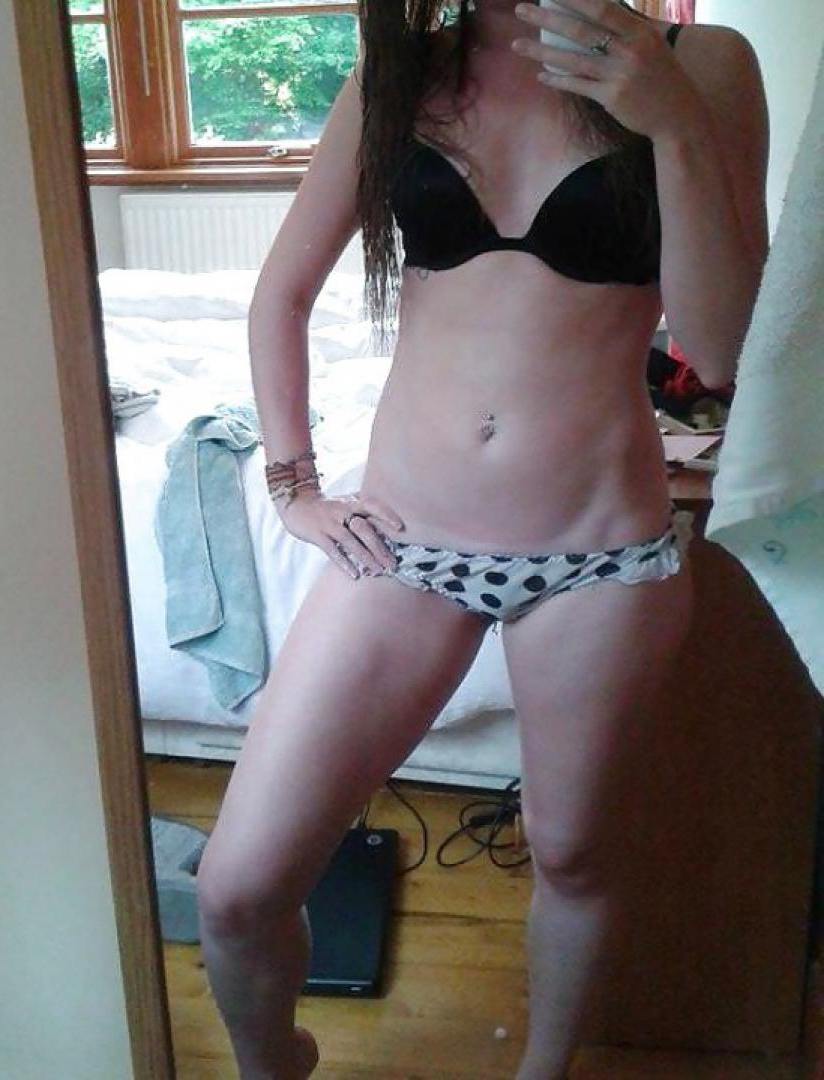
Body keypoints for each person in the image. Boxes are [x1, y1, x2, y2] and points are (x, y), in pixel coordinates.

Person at [195, 0, 769, 1077]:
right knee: (235, 891)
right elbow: (281, 296)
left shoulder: (703, 64)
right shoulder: (406, 70)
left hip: (599, 555)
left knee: (574, 855)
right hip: (404, 541)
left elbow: (721, 345)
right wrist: (293, 485)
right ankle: (277, 1063)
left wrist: (673, 124)